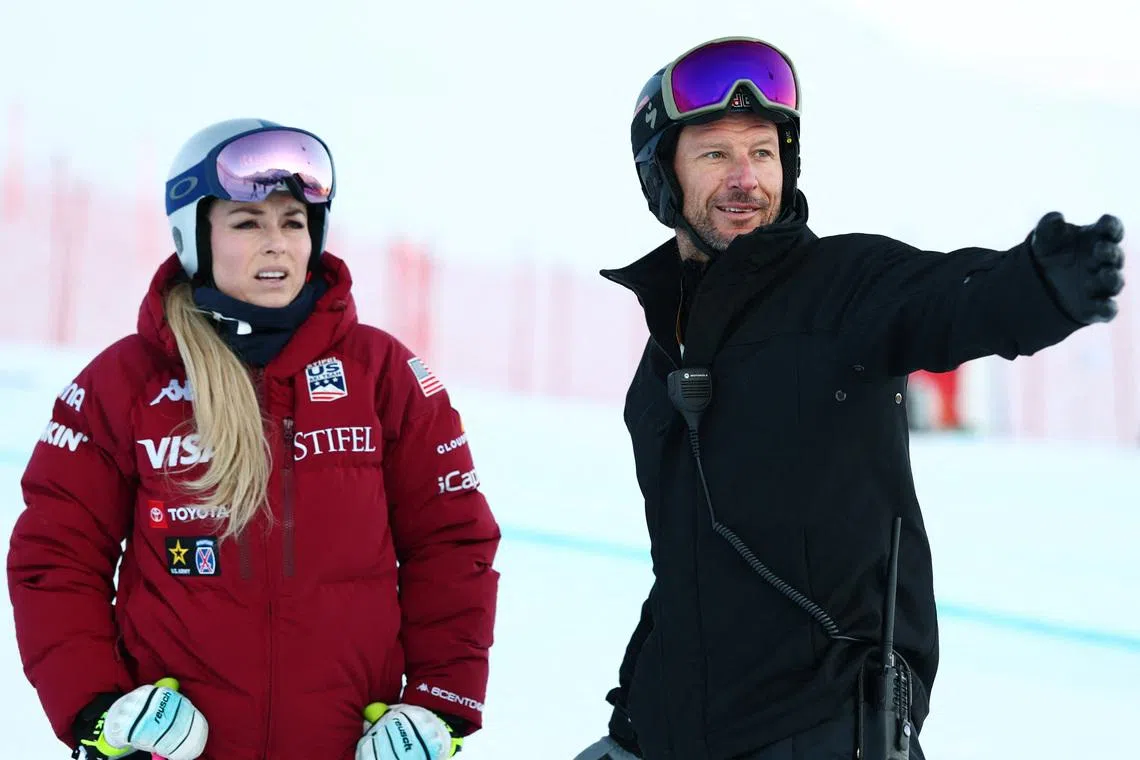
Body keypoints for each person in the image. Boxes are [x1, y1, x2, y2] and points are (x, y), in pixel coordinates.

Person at [574, 36, 1126, 760]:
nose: (746, 178)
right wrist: (635, 722)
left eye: (763, 153)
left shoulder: (844, 287)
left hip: (826, 731)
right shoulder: (660, 364)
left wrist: (1038, 287)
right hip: (674, 734)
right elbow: (685, 573)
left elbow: (944, 302)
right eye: (715, 154)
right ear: (661, 177)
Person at [7, 118, 500, 760]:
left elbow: (452, 545)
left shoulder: (384, 375)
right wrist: (100, 708)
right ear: (195, 235)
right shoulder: (123, 382)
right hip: (173, 750)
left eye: (293, 222)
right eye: (246, 222)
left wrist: (440, 706)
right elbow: (56, 557)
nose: (277, 244)